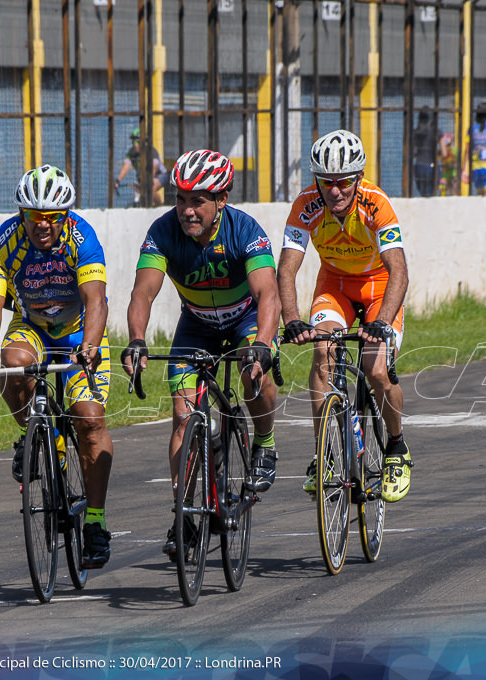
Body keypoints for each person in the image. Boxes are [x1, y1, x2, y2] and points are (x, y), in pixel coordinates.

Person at [121, 149, 282, 559]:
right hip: (196, 326)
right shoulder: (162, 232)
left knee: (252, 377)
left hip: (245, 321)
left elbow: (267, 293)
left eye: (198, 201)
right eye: (181, 199)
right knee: (182, 415)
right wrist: (137, 340)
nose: (187, 210)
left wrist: (262, 344)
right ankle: (184, 516)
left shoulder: (245, 230)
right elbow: (144, 291)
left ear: (221, 201)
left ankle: (264, 442)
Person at [0, 164, 115, 569]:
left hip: (81, 334)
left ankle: (95, 522)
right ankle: (34, 435)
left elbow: (96, 300)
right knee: (12, 362)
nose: (41, 224)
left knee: (89, 419)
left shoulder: (83, 238)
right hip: (32, 329)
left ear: (64, 216)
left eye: (50, 217)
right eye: (32, 216)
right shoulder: (2, 242)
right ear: (21, 214)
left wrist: (92, 347)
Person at [276, 129, 412, 504]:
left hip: (379, 287)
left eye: (343, 182)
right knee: (322, 353)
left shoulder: (376, 203)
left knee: (377, 369)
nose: (335, 191)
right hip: (334, 284)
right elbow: (286, 269)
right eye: (326, 183)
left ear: (358, 178)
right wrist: (292, 319)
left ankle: (397, 448)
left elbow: (399, 271)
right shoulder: (306, 204)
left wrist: (381, 323)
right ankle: (324, 457)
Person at [113, 127, 169, 206]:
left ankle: (160, 207)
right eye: (133, 142)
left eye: (137, 142)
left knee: (149, 190)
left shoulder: (151, 151)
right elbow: (126, 167)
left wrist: (146, 181)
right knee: (138, 193)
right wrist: (118, 181)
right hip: (143, 177)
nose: (135, 145)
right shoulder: (131, 153)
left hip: (159, 175)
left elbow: (154, 168)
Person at [412, 108, 440, 197]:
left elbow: (411, 151)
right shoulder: (436, 132)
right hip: (432, 166)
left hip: (419, 165)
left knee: (422, 194)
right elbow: (444, 151)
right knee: (432, 194)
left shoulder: (416, 132)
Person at [437, 132, 458, 196]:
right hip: (445, 175)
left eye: (449, 144)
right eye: (446, 145)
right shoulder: (440, 152)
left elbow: (458, 164)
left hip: (453, 174)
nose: (447, 147)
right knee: (442, 189)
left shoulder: (454, 151)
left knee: (454, 189)